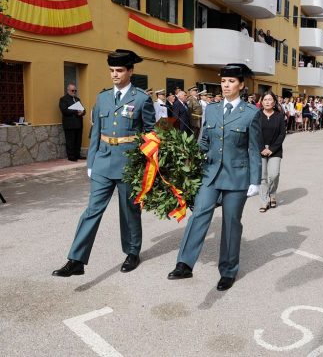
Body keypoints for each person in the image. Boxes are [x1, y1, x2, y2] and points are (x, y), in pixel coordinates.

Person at [52, 49, 155, 277]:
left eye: (119, 70)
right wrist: (91, 161)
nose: (115, 75)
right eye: (111, 71)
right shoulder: (103, 97)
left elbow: (150, 134)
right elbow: (96, 131)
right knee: (91, 211)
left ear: (130, 71)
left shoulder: (141, 98)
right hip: (103, 162)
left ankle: (132, 252)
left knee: (129, 211)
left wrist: (147, 165)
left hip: (129, 163)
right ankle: (76, 260)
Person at [168, 63, 262, 291]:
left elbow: (253, 149)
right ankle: (185, 263)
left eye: (231, 81)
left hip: (237, 177)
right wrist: (190, 161)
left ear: (241, 85)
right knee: (199, 213)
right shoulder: (211, 109)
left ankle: (228, 271)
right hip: (210, 173)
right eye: (223, 81)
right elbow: (204, 140)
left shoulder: (251, 113)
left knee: (231, 223)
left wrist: (255, 180)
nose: (226, 85)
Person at [258, 91, 286, 212]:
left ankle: (272, 193)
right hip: (260, 149)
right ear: (262, 102)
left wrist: (272, 149)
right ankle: (264, 201)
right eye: (265, 99)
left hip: (275, 149)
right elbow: (254, 133)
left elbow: (282, 134)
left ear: (274, 102)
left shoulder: (279, 116)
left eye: (270, 99)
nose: (267, 102)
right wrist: (261, 148)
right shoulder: (257, 115)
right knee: (263, 177)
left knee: (274, 174)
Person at [59, 83, 86, 161]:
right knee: (70, 141)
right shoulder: (63, 99)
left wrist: (83, 112)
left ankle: (77, 155)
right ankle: (71, 156)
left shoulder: (77, 99)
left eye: (75, 90)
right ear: (68, 90)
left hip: (79, 123)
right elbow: (64, 111)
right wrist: (76, 111)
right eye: (72, 90)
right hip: (70, 124)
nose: (74, 92)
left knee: (78, 141)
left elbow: (83, 110)